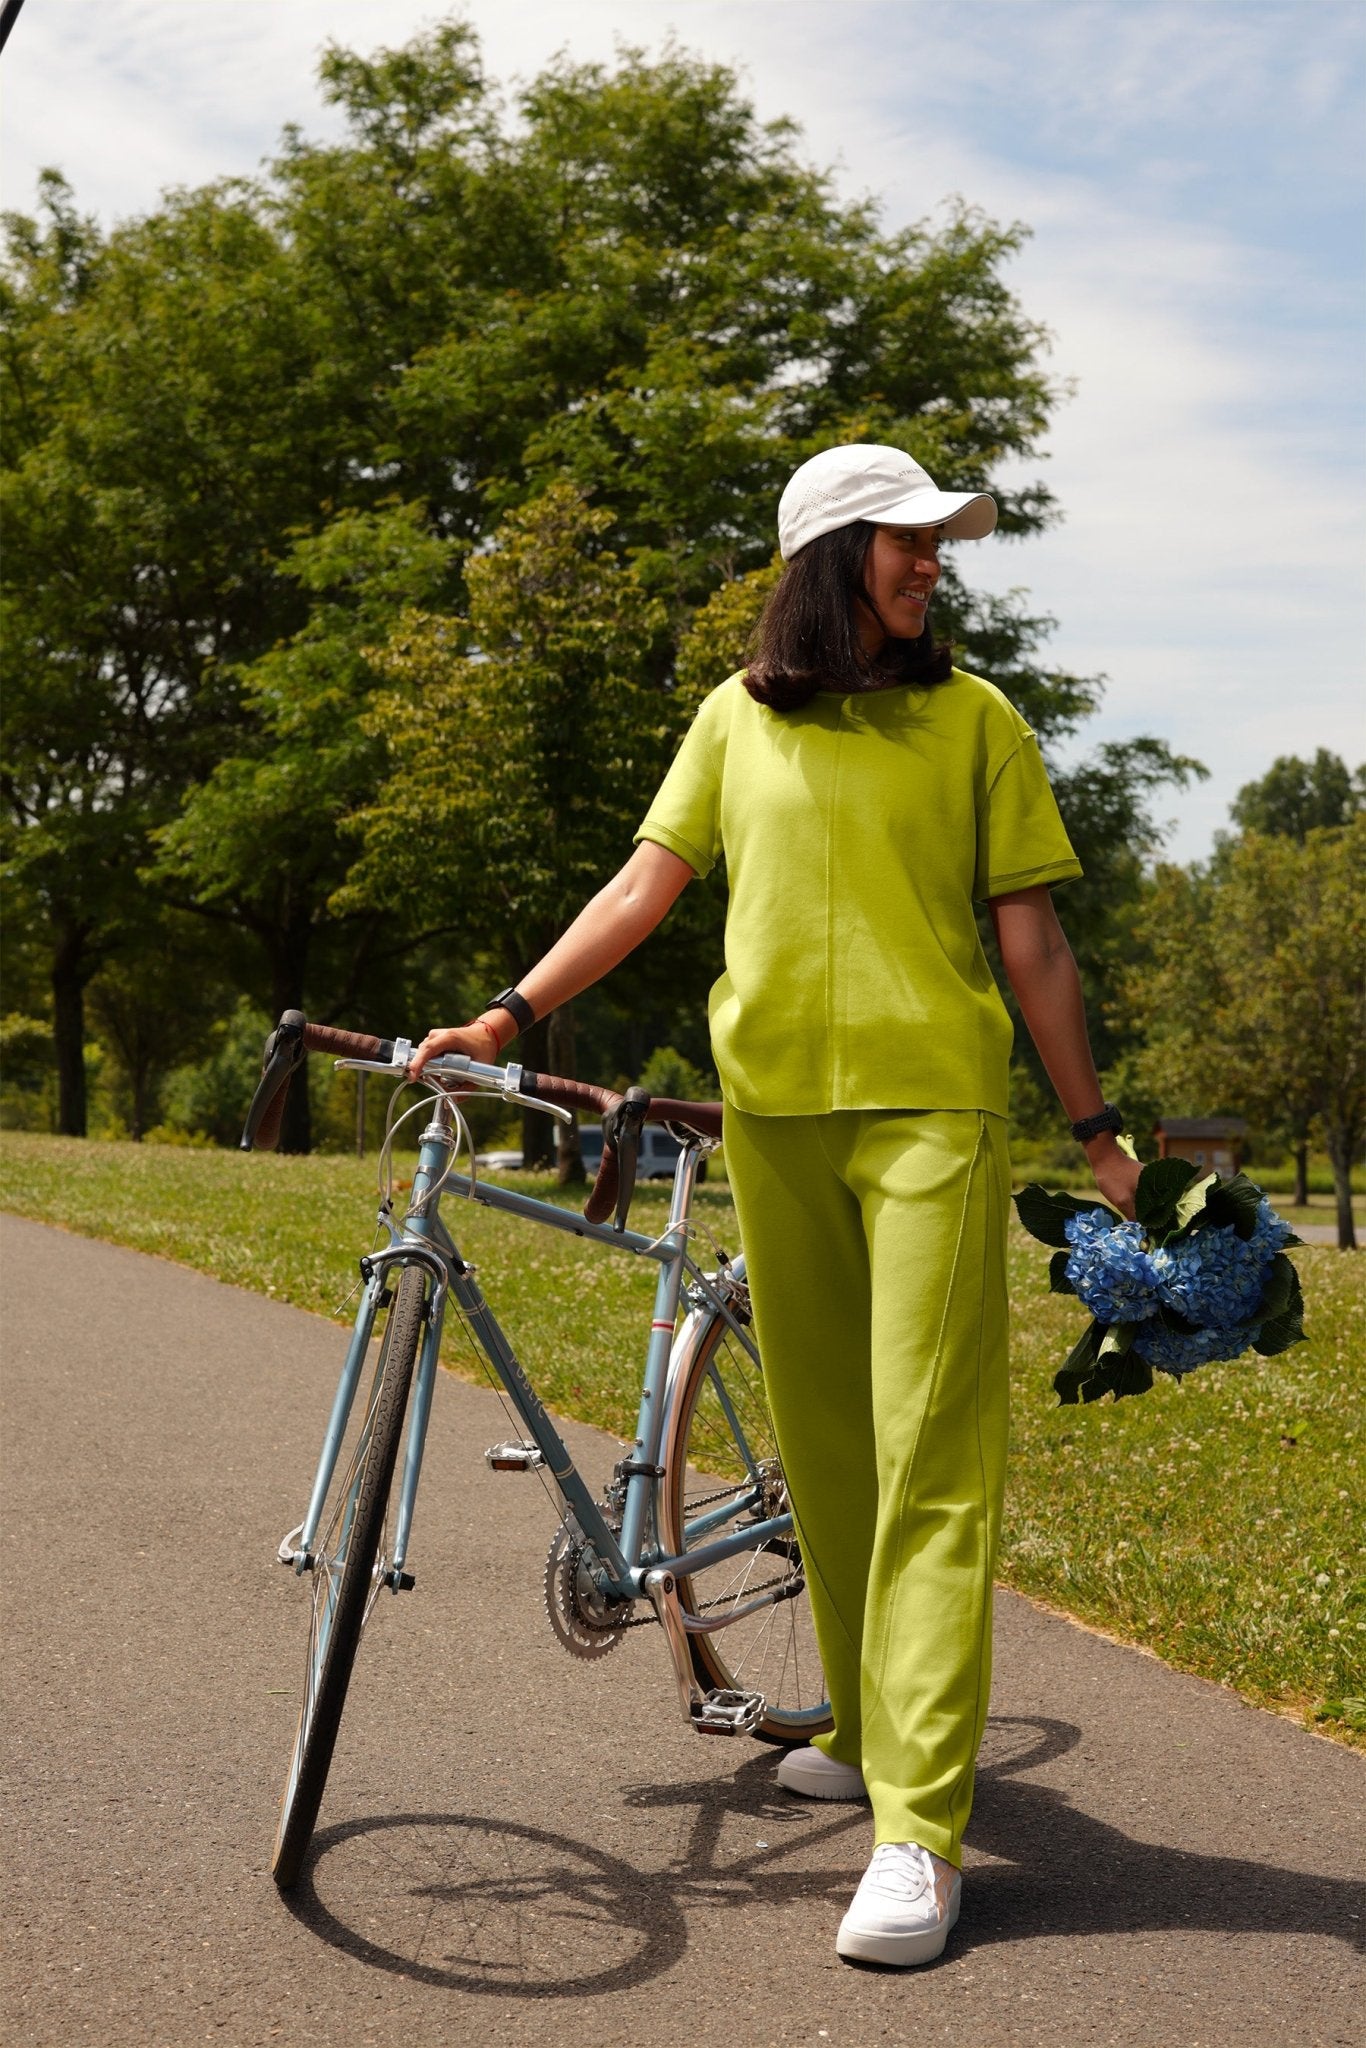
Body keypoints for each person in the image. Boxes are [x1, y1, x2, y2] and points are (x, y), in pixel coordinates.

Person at [411, 443, 1142, 1968]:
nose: (932, 563)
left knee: (930, 1456)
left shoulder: (975, 722)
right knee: (827, 1457)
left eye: (940, 544)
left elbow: (1036, 947)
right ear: (829, 557)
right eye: (906, 540)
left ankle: (918, 1840)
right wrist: (505, 1016)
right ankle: (874, 1733)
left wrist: (1095, 1132)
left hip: (930, 1119)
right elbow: (645, 884)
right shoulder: (734, 719)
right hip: (774, 1123)